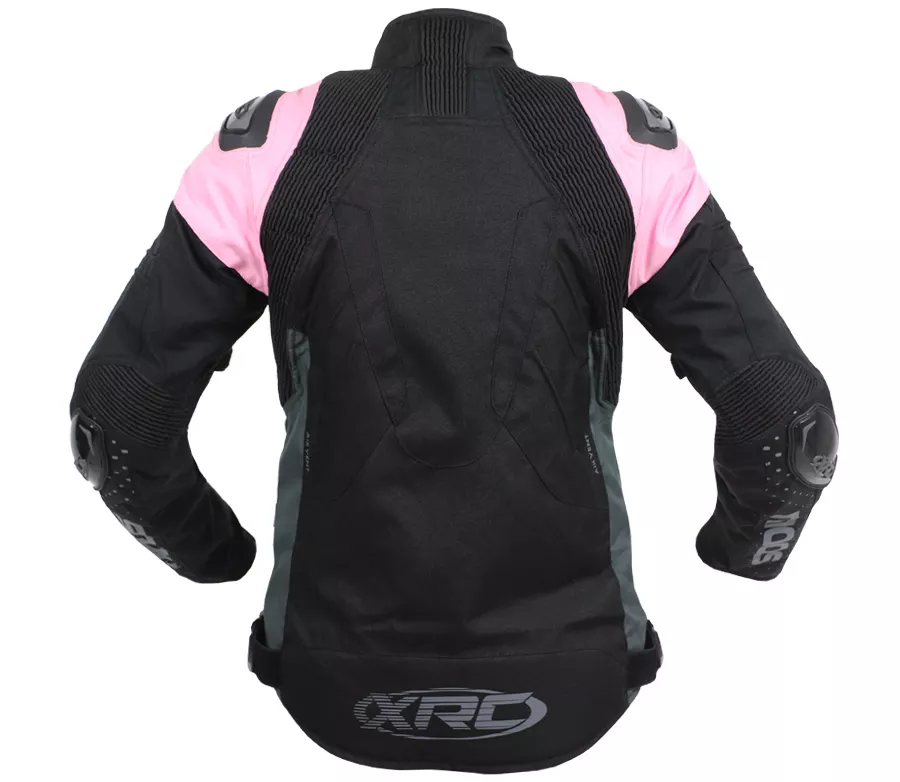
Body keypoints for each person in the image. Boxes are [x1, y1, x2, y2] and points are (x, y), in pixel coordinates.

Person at [70, 8, 837, 773]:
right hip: (577, 685)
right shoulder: (616, 145)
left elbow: (115, 425)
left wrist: (215, 557)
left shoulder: (269, 149)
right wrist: (743, 555)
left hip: (330, 682)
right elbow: (789, 423)